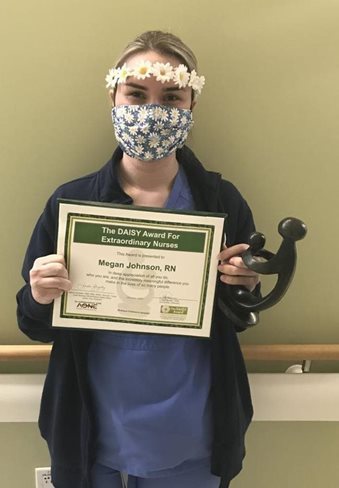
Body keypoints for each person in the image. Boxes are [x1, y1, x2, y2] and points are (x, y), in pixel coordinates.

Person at [17, 30, 260, 488]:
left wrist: (244, 284)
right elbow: (33, 322)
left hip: (192, 428)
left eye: (172, 96)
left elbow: (244, 314)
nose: (153, 111)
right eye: (137, 93)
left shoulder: (219, 202)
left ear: (191, 107)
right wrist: (40, 294)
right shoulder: (72, 203)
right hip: (94, 429)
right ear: (114, 96)